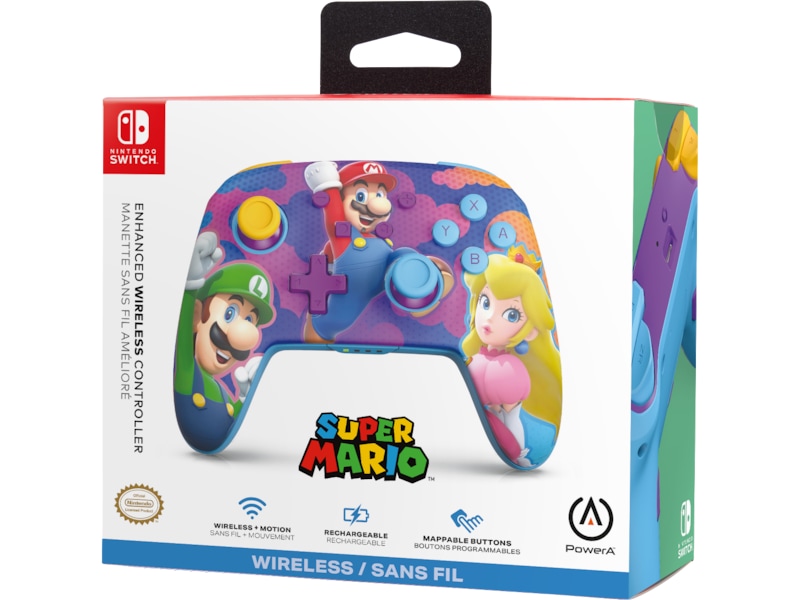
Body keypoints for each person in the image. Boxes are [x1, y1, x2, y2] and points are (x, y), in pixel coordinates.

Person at [303, 160, 452, 342]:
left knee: (404, 254)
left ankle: (424, 289)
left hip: (387, 277)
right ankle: (319, 330)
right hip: (348, 296)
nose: (378, 205)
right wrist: (328, 186)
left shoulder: (379, 240)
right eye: (360, 195)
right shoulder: (344, 235)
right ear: (341, 201)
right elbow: (334, 216)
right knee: (334, 322)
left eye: (380, 194)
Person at [174, 231, 275, 451]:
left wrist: (244, 397)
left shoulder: (221, 391)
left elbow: (230, 419)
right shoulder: (190, 376)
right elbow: (182, 342)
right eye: (230, 313)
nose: (242, 336)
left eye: (250, 320)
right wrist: (191, 286)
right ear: (196, 316)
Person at [461, 245, 561, 466]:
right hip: (481, 412)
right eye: (485, 302)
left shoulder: (509, 370)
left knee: (510, 415)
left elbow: (509, 413)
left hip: (505, 375)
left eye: (511, 314)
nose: (489, 317)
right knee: (498, 415)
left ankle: (517, 452)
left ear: (531, 330)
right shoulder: (476, 359)